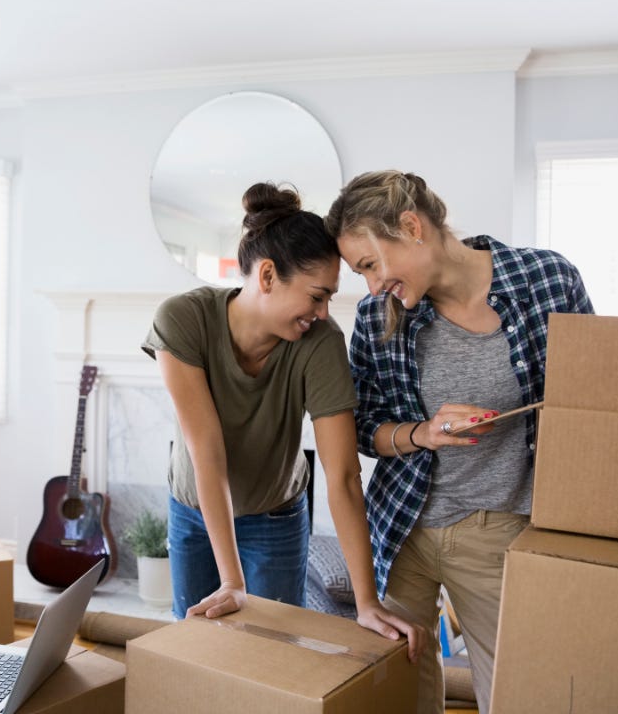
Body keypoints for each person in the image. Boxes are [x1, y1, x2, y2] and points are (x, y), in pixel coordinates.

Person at [324, 171, 593, 714]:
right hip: (401, 530)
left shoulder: (547, 279)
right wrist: (422, 434)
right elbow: (364, 429)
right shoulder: (377, 315)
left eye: (371, 265)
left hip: (502, 531)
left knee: (516, 692)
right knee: (400, 696)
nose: (373, 286)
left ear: (410, 226)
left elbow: (593, 396)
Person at [142, 182, 424, 660]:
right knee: (193, 654)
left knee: (271, 658)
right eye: (317, 296)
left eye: (330, 298)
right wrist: (232, 581)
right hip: (194, 511)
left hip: (275, 516)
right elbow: (206, 451)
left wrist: (365, 601)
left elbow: (343, 476)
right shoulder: (184, 319)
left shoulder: (320, 343)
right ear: (268, 275)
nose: (322, 312)